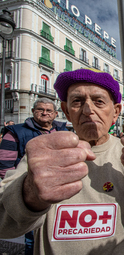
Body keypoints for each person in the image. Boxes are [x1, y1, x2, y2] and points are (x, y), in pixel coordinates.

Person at [0, 68, 124, 254]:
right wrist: (30, 194)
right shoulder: (46, 153)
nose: (88, 110)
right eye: (77, 101)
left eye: (99, 102)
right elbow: (4, 224)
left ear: (116, 112)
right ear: (66, 111)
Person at [0, 97, 67, 254]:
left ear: (56, 114)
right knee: (33, 234)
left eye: (49, 110)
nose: (44, 113)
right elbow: (4, 166)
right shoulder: (15, 132)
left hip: (59, 192)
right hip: (30, 192)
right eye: (40, 110)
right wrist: (20, 189)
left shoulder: (63, 132)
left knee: (54, 233)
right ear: (33, 112)